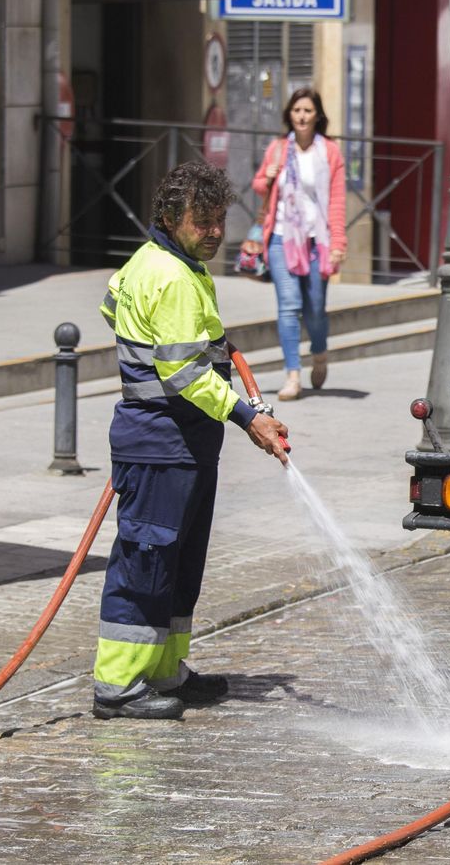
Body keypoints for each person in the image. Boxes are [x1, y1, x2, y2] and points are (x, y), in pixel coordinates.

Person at [93, 160, 291, 720]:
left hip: (181, 444)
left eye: (218, 219)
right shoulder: (174, 277)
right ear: (169, 217)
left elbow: (112, 305)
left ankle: (163, 670)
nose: (213, 231)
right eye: (201, 221)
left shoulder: (157, 263)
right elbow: (184, 375)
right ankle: (118, 686)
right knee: (147, 564)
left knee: (178, 564)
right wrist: (247, 417)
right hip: (161, 442)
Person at [244, 88, 347, 401]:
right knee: (288, 306)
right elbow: (259, 185)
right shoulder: (278, 148)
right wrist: (267, 177)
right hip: (280, 237)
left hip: (317, 240)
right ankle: (293, 375)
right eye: (297, 110)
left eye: (307, 111)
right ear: (289, 114)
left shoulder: (330, 152)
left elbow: (337, 201)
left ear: (317, 116)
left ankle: (319, 353)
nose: (302, 116)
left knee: (315, 309)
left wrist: (338, 243)